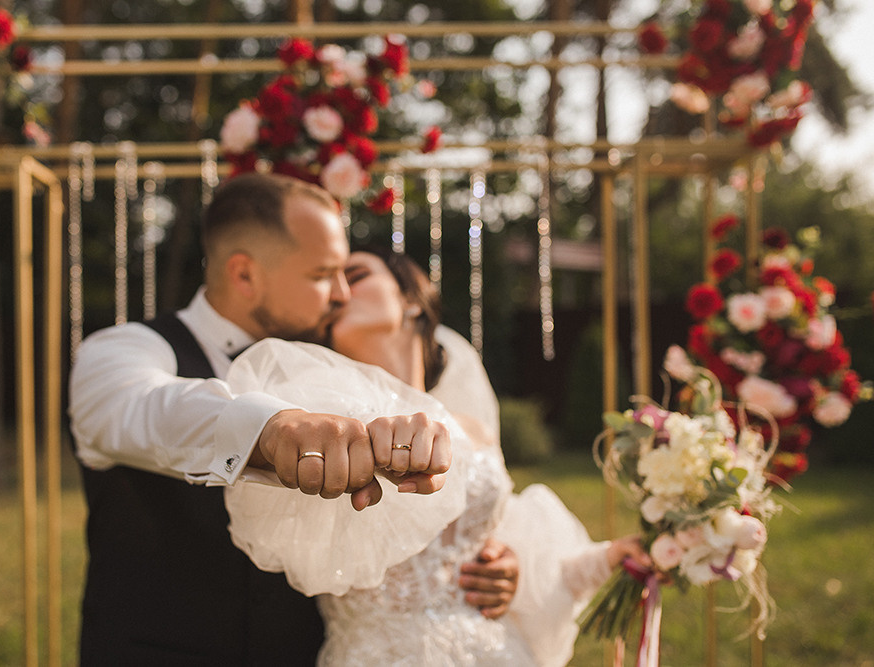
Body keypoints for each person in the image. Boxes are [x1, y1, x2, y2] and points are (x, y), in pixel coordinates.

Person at [67, 173, 518, 665]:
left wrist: (494, 562)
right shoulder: (126, 349)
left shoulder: (342, 376)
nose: (341, 294)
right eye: (323, 274)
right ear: (245, 275)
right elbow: (139, 409)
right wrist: (272, 427)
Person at [223, 247, 650, 666]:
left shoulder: (474, 430)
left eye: (355, 277)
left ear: (410, 300)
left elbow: (514, 552)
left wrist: (532, 569)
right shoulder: (317, 419)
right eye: (326, 284)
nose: (337, 293)